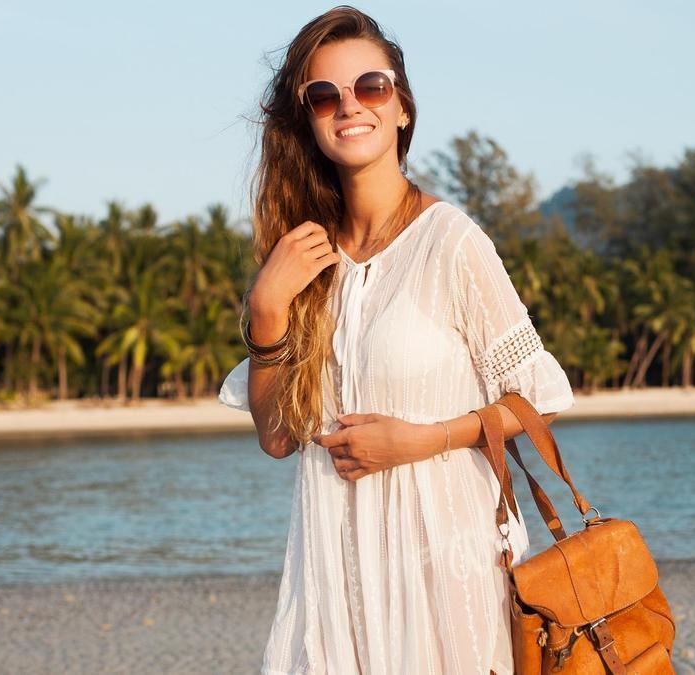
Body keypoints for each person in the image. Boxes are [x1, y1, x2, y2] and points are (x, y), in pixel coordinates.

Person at [219, 6, 574, 673]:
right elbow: (276, 437)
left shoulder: (452, 243)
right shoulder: (304, 258)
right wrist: (267, 309)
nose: (348, 106)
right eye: (324, 96)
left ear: (403, 107)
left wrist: (421, 439)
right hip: (333, 581)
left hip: (443, 575)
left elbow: (540, 397)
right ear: (308, 121)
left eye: (370, 87)